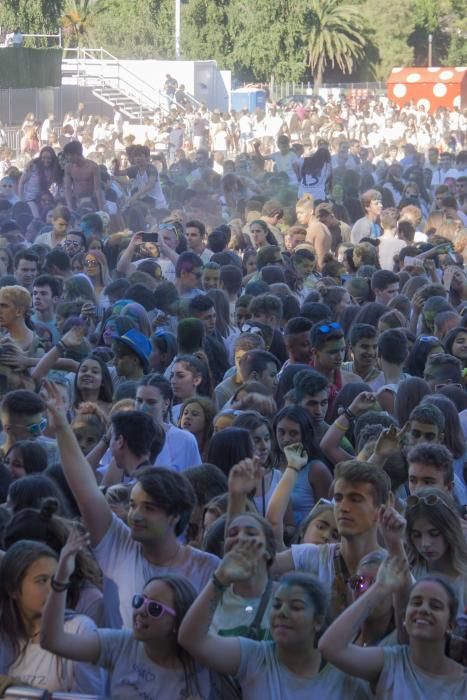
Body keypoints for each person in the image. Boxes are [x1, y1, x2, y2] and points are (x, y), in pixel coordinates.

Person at [44, 380, 219, 628]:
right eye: (134, 505)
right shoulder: (119, 544)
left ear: (174, 516)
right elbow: (84, 489)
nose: (134, 515)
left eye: (149, 508)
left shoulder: (207, 567)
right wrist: (62, 427)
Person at [179, 541, 372, 699]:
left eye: (296, 606)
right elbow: (191, 639)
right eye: (277, 605)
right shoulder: (254, 657)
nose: (282, 613)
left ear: (318, 621)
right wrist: (219, 579)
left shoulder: (342, 674)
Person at [41, 529, 211, 699]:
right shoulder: (121, 644)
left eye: (155, 608)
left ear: (178, 621)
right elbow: (53, 641)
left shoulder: (201, 667)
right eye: (140, 601)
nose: (141, 611)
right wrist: (62, 577)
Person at [319, 557, 467, 698]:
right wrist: (379, 587)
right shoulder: (389, 663)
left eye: (435, 606)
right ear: (404, 619)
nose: (423, 609)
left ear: (450, 625)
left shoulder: (462, 683)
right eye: (416, 602)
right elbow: (330, 647)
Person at [273, 460, 391, 618]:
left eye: (355, 499)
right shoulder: (312, 555)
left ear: (380, 508)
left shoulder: (391, 569)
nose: (343, 507)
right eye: (339, 498)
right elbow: (257, 569)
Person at [0, 539, 103, 694]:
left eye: (57, 579)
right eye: (41, 580)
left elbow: (91, 697)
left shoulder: (80, 630)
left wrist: (22, 690)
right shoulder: (4, 635)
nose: (54, 588)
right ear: (13, 589)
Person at [63, 140, 105, 210]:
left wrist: (101, 209)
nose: (68, 158)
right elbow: (67, 188)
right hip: (77, 199)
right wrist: (69, 207)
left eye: (69, 155)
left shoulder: (93, 166)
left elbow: (97, 189)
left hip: (91, 200)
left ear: (76, 154)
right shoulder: (69, 167)